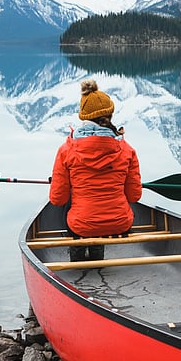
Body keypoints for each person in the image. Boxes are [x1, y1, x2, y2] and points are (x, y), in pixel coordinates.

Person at [49, 79, 142, 261]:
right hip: (120, 223)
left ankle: (77, 259)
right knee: (103, 210)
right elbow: (134, 196)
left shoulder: (66, 150)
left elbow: (57, 199)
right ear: (110, 115)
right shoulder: (127, 150)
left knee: (70, 206)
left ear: (83, 117)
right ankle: (97, 259)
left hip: (81, 225)